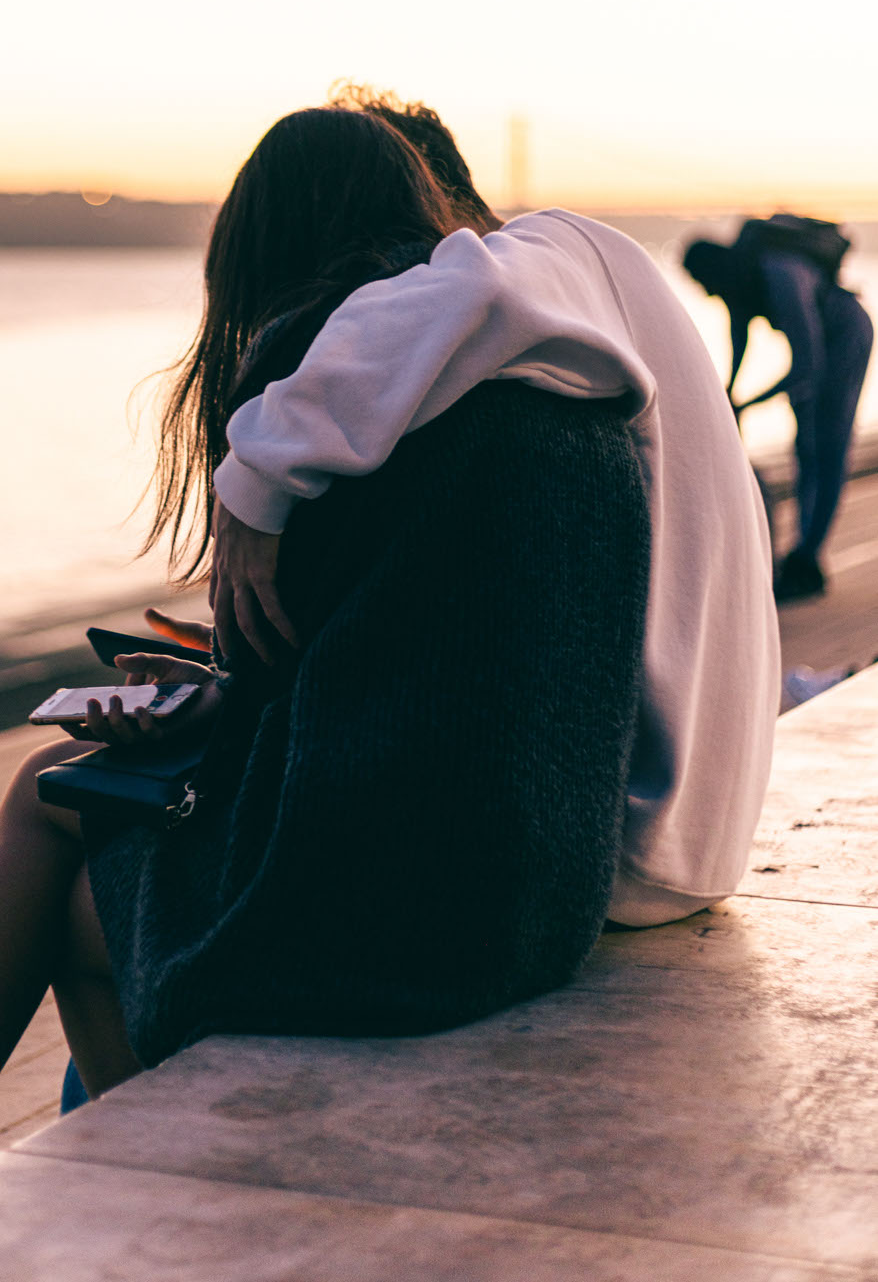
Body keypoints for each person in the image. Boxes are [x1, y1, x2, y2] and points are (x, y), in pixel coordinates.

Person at [0, 107, 654, 1280]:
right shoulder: (559, 383)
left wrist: (203, 696)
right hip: (537, 900)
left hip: (396, 916)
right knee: (82, 826)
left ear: (261, 249)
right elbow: (407, 658)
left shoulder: (333, 387)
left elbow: (281, 681)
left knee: (54, 804)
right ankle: (78, 1180)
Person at [210, 89, 779, 929]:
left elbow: (473, 294)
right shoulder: (578, 318)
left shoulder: (556, 250)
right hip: (696, 825)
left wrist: (253, 481)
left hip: (618, 834)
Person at [683, 219, 873, 600]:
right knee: (804, 445)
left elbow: (808, 365)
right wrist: (730, 396)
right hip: (817, 345)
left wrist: (751, 404)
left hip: (847, 334)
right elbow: (739, 347)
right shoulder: (734, 287)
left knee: (828, 445)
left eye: (703, 283)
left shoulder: (782, 274)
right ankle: (802, 553)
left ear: (717, 268)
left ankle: (807, 561)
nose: (705, 293)